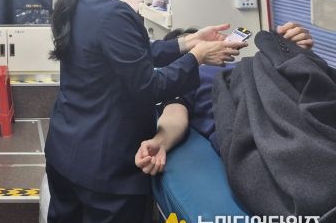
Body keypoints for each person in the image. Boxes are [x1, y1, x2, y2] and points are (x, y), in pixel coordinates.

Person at [43, 0, 247, 223]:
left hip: (67, 149)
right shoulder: (113, 13)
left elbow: (131, 54)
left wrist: (188, 42)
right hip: (104, 168)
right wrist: (198, 58)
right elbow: (149, 87)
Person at [134, 21, 314, 175]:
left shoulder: (240, 67)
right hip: (255, 123)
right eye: (193, 50)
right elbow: (174, 116)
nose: (204, 50)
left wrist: (291, 50)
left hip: (287, 104)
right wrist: (160, 142)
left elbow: (277, 79)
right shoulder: (180, 87)